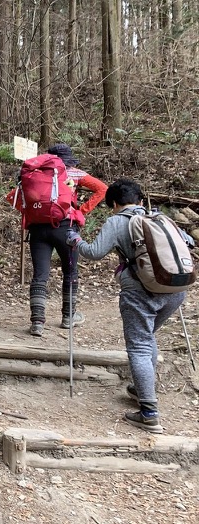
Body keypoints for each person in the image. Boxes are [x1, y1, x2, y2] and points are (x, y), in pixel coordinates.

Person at [65, 179, 187, 434]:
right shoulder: (160, 218)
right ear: (140, 201)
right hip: (176, 289)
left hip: (141, 291)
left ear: (113, 205)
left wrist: (75, 240)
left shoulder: (117, 221)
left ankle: (149, 413)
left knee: (140, 345)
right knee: (147, 336)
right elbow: (189, 243)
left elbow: (95, 252)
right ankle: (142, 388)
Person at [27, 144, 107, 337]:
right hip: (66, 228)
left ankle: (37, 322)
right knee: (70, 271)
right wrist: (82, 210)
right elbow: (102, 189)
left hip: (38, 228)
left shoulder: (35, 174)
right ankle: (68, 316)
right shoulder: (74, 173)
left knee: (40, 275)